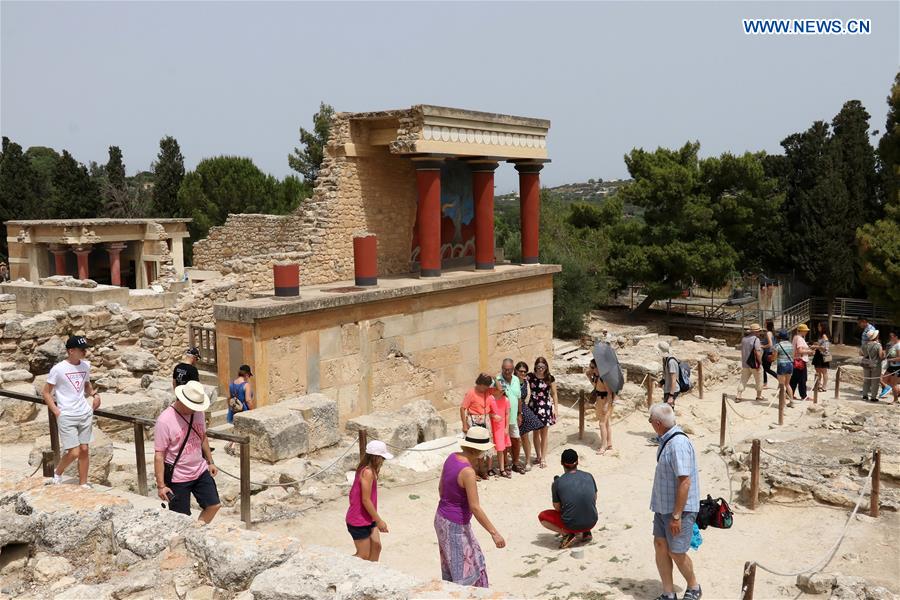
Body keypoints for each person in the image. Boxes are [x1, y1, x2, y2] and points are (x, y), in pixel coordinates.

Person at [434, 426, 505, 588]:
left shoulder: (452, 457)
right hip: (455, 525)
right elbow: (475, 507)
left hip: (441, 518)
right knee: (465, 570)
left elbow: (440, 489)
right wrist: (494, 533)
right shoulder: (468, 472)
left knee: (452, 564)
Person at [648, 402, 702, 600]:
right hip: (663, 508)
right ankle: (668, 593)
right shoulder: (666, 440)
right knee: (661, 546)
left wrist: (677, 516)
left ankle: (694, 587)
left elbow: (685, 482)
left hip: (678, 511)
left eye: (651, 421)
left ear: (658, 423)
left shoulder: (678, 444)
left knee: (677, 552)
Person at [154, 380, 220, 523]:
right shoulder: (165, 420)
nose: (195, 409)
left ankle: (195, 532)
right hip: (178, 476)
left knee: (214, 505)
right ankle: (182, 539)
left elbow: (202, 437)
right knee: (181, 518)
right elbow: (159, 455)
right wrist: (161, 486)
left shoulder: (199, 414)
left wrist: (211, 462)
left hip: (200, 469)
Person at [42, 336, 101, 487]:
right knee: (74, 452)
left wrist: (94, 395)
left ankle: (83, 483)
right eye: (82, 349)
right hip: (67, 414)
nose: (85, 352)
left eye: (85, 349)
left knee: (84, 449)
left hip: (84, 413)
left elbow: (86, 385)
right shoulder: (58, 369)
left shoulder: (85, 366)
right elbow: (46, 392)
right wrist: (56, 411)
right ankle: (58, 472)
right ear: (71, 351)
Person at [538, 448, 598, 549]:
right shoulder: (589, 476)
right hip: (592, 521)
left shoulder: (558, 483)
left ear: (562, 463)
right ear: (577, 461)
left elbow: (557, 508)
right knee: (583, 503)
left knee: (542, 517)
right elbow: (594, 498)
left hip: (572, 524)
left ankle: (567, 534)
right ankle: (586, 532)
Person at [346, 439, 393, 561]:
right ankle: (341, 564)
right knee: (363, 555)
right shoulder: (367, 472)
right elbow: (365, 500)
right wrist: (379, 521)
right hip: (358, 520)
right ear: (376, 458)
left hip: (368, 517)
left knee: (377, 546)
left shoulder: (367, 469)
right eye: (382, 458)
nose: (383, 461)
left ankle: (373, 572)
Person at [460, 373, 499, 479]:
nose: (486, 388)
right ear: (480, 384)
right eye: (485, 386)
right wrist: (464, 425)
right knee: (474, 448)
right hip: (474, 421)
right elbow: (462, 408)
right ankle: (474, 471)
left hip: (485, 421)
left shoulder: (487, 391)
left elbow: (499, 389)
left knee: (484, 447)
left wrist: (494, 377)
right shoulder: (471, 393)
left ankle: (482, 469)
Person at [526, 357, 558, 469]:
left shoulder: (550, 378)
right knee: (535, 433)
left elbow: (554, 394)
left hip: (545, 407)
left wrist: (556, 409)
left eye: (542, 367)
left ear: (546, 367)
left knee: (544, 434)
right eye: (538, 367)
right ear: (535, 366)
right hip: (533, 406)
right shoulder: (530, 376)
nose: (540, 369)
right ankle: (538, 456)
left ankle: (543, 458)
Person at [495, 359, 524, 474]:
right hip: (502, 419)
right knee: (504, 443)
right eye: (505, 369)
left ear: (513, 370)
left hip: (513, 417)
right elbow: (494, 395)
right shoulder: (498, 380)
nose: (507, 372)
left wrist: (519, 414)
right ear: (502, 368)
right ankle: (506, 464)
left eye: (509, 369)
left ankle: (515, 463)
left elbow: (518, 398)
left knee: (516, 440)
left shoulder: (516, 379)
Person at [515, 360, 543, 472]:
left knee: (525, 436)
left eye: (525, 372)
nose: (523, 373)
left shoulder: (525, 382)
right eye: (521, 371)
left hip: (522, 409)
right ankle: (514, 461)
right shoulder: (512, 381)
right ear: (516, 371)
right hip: (512, 409)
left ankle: (527, 461)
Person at [587, 358, 615, 454]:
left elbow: (609, 393)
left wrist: (607, 405)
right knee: (606, 423)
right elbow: (596, 386)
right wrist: (589, 374)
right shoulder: (597, 377)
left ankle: (603, 446)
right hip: (599, 400)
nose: (591, 369)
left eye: (593, 367)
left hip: (605, 401)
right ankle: (609, 443)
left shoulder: (604, 378)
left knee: (602, 423)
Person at [226, 364, 254, 454]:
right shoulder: (246, 385)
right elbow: (248, 400)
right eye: (249, 375)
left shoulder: (232, 384)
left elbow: (229, 398)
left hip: (234, 409)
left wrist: (231, 408)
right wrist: (253, 411)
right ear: (246, 374)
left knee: (236, 427)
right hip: (243, 409)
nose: (249, 377)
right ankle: (233, 446)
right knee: (244, 429)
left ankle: (231, 444)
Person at [736, 324, 763, 402]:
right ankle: (759, 395)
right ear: (756, 332)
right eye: (759, 331)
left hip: (745, 363)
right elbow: (758, 352)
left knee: (743, 380)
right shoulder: (756, 340)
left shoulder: (744, 339)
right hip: (754, 364)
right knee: (759, 379)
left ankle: (739, 395)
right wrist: (760, 362)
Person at [790, 324, 813, 404]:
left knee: (794, 379)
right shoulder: (800, 339)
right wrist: (809, 352)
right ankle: (803, 395)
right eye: (806, 330)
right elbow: (800, 351)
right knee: (802, 379)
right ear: (802, 331)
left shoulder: (795, 337)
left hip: (795, 360)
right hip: (800, 361)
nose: (806, 332)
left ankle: (790, 394)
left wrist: (808, 348)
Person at [860, 329, 884, 402]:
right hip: (875, 365)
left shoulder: (864, 344)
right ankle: (873, 397)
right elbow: (880, 356)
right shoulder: (878, 345)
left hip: (866, 364)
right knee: (875, 381)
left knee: (866, 380)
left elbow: (860, 353)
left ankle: (865, 395)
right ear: (876, 336)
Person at [810, 323, 832, 393]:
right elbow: (821, 344)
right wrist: (816, 344)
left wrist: (816, 347)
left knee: (823, 371)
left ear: (823, 327)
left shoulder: (824, 336)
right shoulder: (820, 335)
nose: (818, 327)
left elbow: (825, 348)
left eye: (819, 326)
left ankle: (824, 386)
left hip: (822, 355)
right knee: (818, 371)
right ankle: (818, 385)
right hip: (818, 354)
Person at [773, 328, 794, 395]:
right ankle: (791, 401)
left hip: (782, 365)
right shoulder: (791, 345)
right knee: (787, 384)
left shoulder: (777, 345)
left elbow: (774, 357)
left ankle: (782, 403)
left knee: (781, 385)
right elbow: (792, 355)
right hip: (790, 364)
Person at [659, 342, 680, 407]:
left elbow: (673, 380)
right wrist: (662, 382)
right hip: (668, 388)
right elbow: (666, 375)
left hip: (672, 390)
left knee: (667, 410)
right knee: (668, 409)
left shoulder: (671, 362)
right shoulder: (665, 359)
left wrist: (671, 396)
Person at [882, 331, 900, 404]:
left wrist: (889, 359)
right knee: (884, 379)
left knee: (894, 384)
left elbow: (899, 358)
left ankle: (895, 399)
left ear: (896, 336)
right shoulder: (893, 344)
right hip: (891, 366)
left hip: (897, 367)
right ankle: (897, 390)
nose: (890, 337)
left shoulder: (899, 345)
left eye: (891, 336)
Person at [760, 321, 777, 389]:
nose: (764, 324)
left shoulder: (768, 333)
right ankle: (765, 383)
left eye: (765, 323)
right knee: (765, 368)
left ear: (767, 324)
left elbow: (770, 344)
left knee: (766, 369)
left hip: (768, 353)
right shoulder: (772, 332)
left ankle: (779, 378)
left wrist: (762, 346)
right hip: (770, 352)